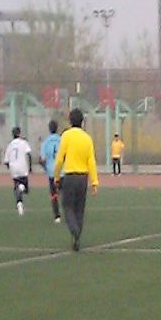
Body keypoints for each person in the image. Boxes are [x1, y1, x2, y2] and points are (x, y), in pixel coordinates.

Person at [54, 108, 98, 251]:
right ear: (82, 122)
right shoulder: (87, 138)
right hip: (83, 177)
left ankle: (74, 230)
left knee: (67, 206)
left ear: (70, 121)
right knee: (79, 209)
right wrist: (94, 182)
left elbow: (59, 159)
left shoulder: (66, 136)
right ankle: (77, 235)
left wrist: (56, 177)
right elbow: (91, 161)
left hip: (70, 176)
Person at [3, 126, 32, 216]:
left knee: (16, 188)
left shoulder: (10, 145)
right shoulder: (24, 142)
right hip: (22, 167)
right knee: (25, 189)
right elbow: (29, 154)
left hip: (14, 168)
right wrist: (30, 167)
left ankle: (19, 204)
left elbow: (6, 161)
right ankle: (21, 188)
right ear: (19, 133)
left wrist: (10, 168)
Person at [39, 120, 62, 223]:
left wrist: (46, 169)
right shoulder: (61, 140)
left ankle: (57, 216)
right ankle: (69, 211)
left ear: (49, 129)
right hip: (62, 171)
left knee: (54, 194)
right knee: (65, 193)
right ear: (57, 128)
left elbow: (42, 159)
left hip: (52, 172)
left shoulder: (46, 142)